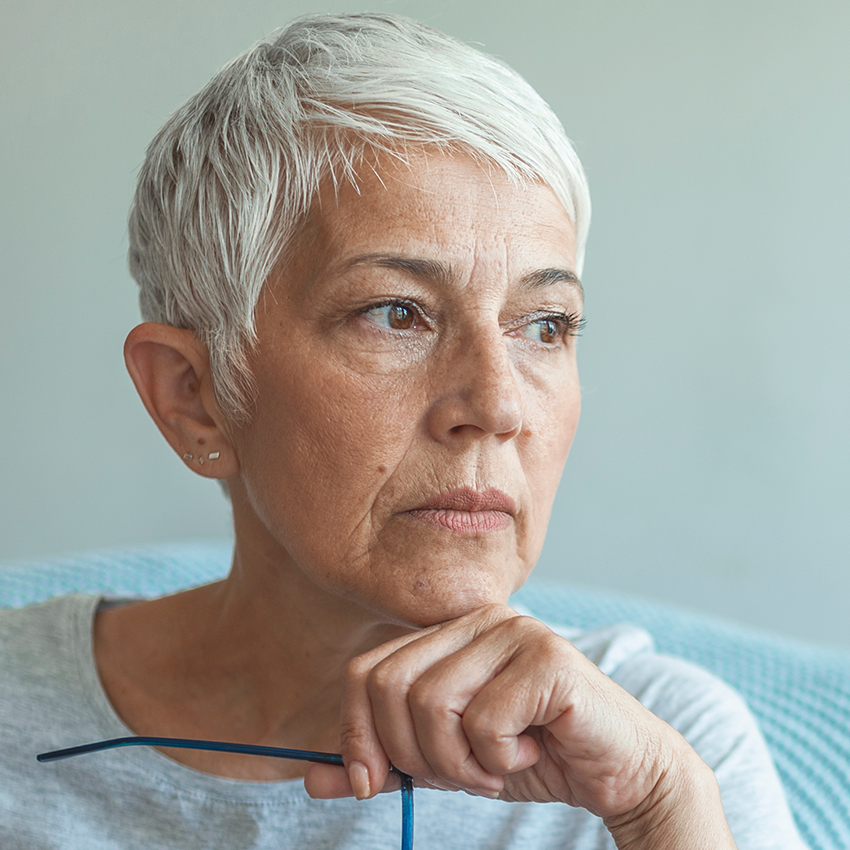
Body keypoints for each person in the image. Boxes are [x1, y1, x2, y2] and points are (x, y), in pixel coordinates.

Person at [0, 12, 807, 850]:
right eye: (398, 314)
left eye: (545, 325)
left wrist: (661, 813)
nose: (499, 407)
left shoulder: (664, 754)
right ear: (194, 396)